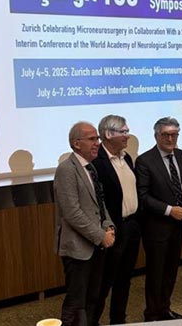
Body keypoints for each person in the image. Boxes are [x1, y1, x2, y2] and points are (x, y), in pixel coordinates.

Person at [53, 121, 115, 326]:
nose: (97, 143)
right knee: (76, 302)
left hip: (96, 245)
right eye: (92, 139)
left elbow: (99, 203)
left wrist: (109, 226)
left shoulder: (91, 167)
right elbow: (72, 213)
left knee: (93, 297)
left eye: (97, 138)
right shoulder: (66, 169)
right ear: (76, 143)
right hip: (78, 248)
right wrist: (101, 236)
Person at [136, 117, 182, 321]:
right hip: (157, 227)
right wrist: (170, 210)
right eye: (165, 135)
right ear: (156, 136)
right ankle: (152, 314)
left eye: (174, 134)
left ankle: (164, 309)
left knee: (171, 271)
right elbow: (143, 196)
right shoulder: (145, 161)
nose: (170, 139)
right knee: (156, 273)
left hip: (179, 225)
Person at [93, 115, 141, 325]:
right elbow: (97, 201)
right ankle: (93, 321)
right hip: (112, 230)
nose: (127, 135)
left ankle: (118, 320)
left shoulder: (126, 158)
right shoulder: (97, 162)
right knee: (104, 282)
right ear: (108, 134)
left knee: (124, 279)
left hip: (132, 226)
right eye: (123, 132)